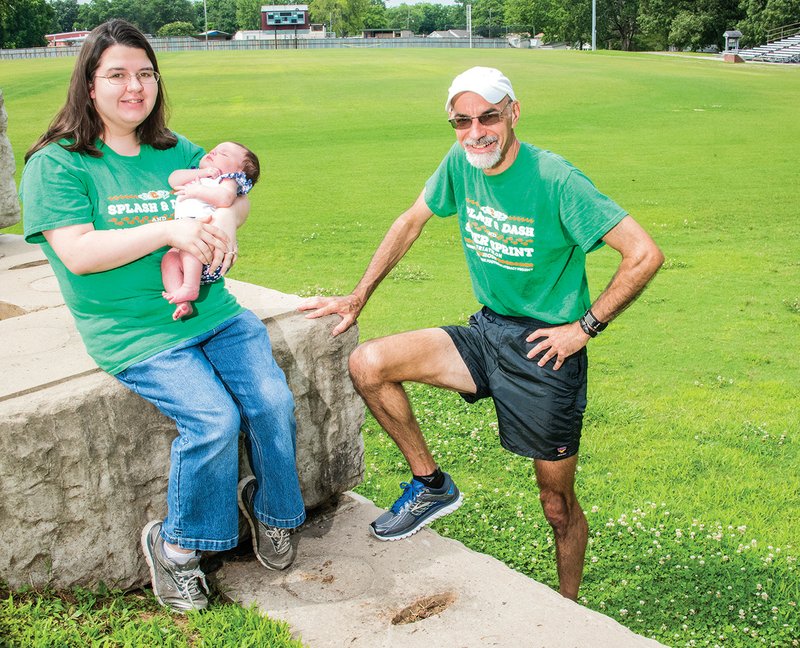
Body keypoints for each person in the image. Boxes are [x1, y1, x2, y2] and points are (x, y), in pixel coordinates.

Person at [299, 66, 664, 601]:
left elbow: (644, 254)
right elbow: (410, 222)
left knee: (556, 505)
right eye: (462, 121)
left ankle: (569, 609)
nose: (476, 132)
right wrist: (358, 297)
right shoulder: (460, 163)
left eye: (488, 116)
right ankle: (431, 486)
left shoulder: (555, 178)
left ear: (513, 112)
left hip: (547, 352)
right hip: (488, 332)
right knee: (369, 364)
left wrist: (582, 329)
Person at [20, 19, 305, 613]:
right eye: (117, 74)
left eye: (145, 73)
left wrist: (223, 225)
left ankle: (275, 512)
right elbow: (77, 252)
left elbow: (235, 189)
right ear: (89, 84)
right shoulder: (59, 164)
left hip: (216, 313)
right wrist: (168, 230)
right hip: (133, 330)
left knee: (271, 401)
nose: (135, 86)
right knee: (214, 421)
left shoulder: (172, 148)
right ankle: (176, 549)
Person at [163, 141, 260, 320]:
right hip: (184, 237)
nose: (214, 152)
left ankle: (191, 287)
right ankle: (182, 302)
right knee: (169, 259)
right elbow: (173, 179)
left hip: (208, 242)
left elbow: (224, 199)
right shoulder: (197, 175)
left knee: (190, 246)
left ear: (239, 172)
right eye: (214, 149)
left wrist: (198, 190)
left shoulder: (227, 180)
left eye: (224, 154)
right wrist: (200, 173)